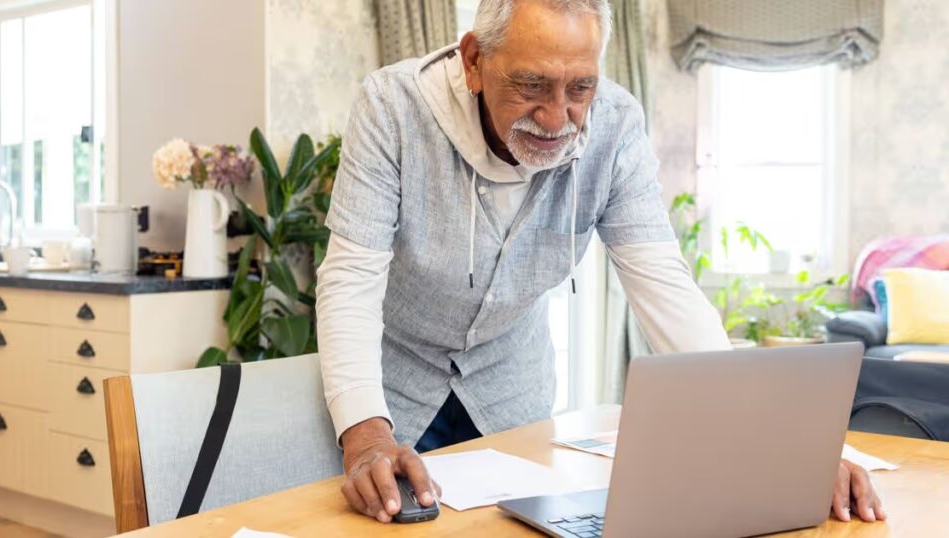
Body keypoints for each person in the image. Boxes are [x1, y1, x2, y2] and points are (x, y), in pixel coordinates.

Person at [316, 0, 885, 526]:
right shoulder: (391, 106)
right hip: (391, 389)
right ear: (473, 61)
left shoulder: (615, 124)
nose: (557, 116)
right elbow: (350, 280)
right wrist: (365, 434)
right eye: (531, 84)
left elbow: (665, 286)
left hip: (509, 387)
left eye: (580, 86)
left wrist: (783, 447)